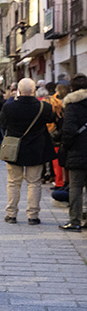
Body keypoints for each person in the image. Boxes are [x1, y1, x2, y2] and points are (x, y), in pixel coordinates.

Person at [0, 78, 55, 225]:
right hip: (36, 149)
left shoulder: (9, 106)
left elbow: (4, 123)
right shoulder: (44, 107)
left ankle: (11, 214)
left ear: (18, 90)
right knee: (34, 182)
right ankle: (33, 215)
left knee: (13, 182)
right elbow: (52, 119)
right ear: (34, 90)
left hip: (13, 149)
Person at [60, 74, 87, 231]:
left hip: (78, 150)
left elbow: (68, 130)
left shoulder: (72, 105)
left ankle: (75, 220)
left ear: (72, 88)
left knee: (76, 187)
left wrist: (67, 146)